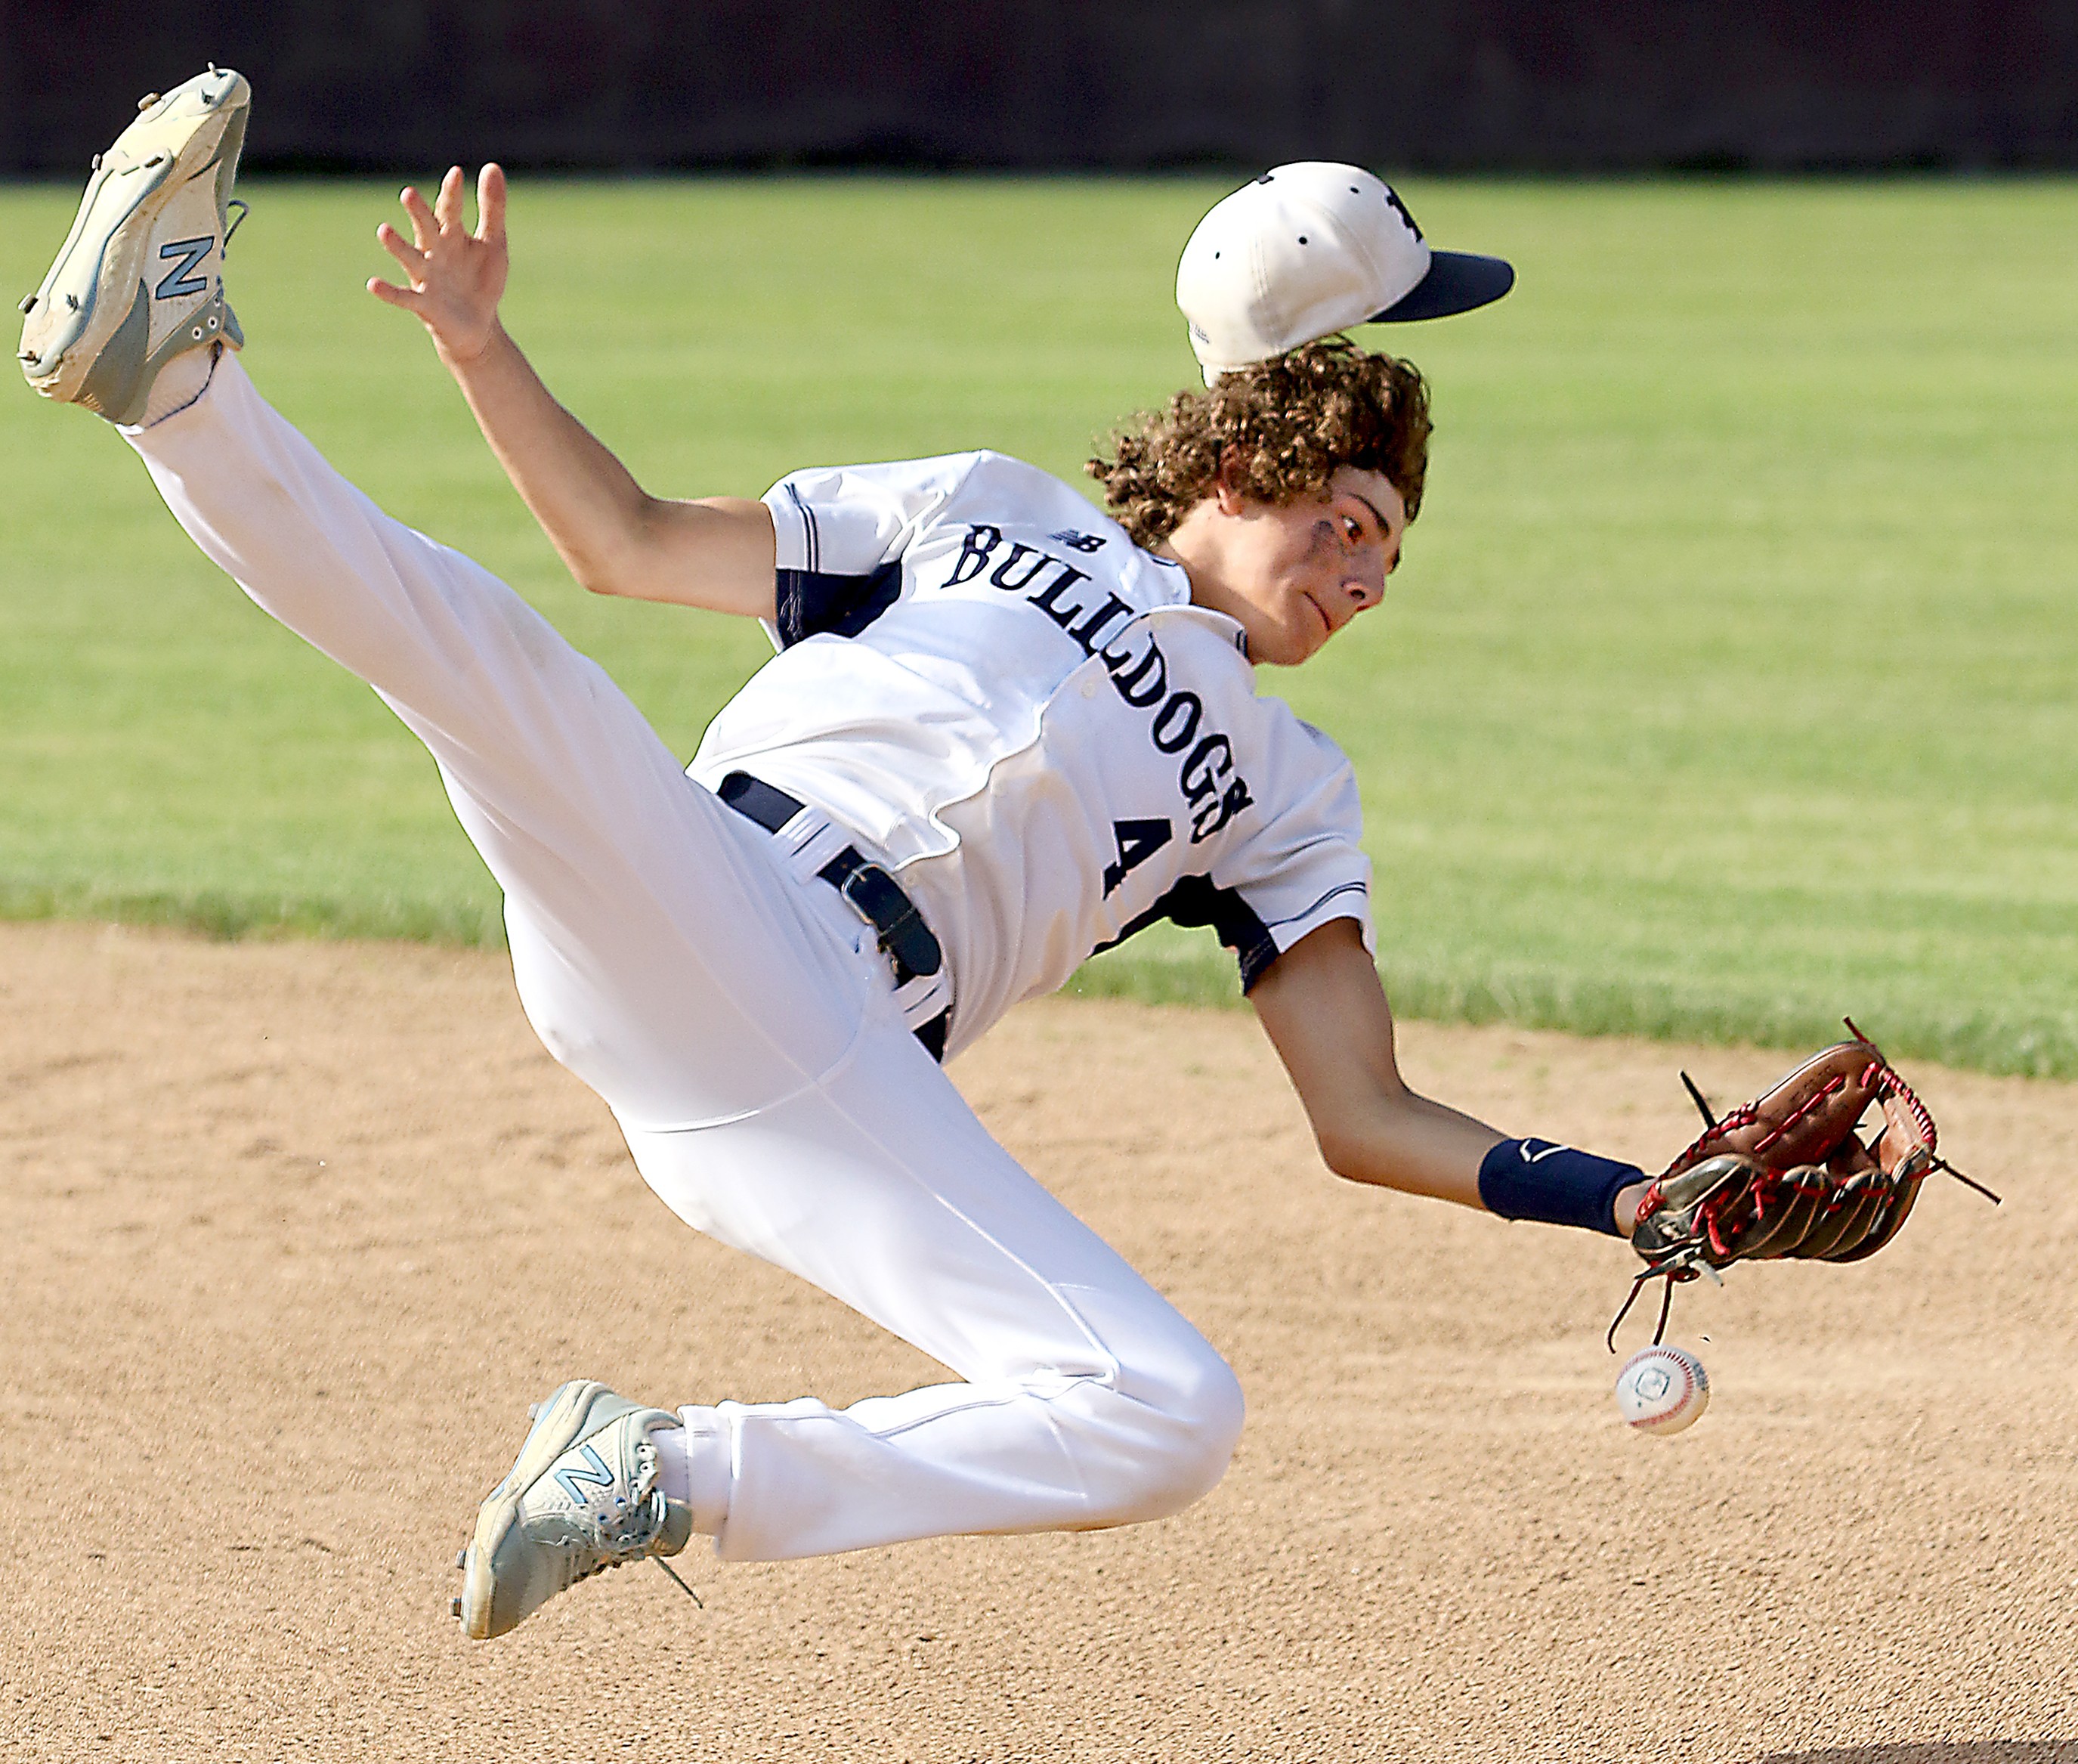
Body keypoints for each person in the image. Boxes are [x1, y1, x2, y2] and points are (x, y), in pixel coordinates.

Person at [21, 72, 1655, 1642]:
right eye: (1352, 519)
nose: (1365, 576)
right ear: (1246, 469)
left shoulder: (1290, 788)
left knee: (1172, 1414)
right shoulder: (985, 509)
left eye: (1389, 558)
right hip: (707, 889)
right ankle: (174, 386)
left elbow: (1361, 1115)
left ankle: (662, 1475)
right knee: (502, 673)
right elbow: (629, 544)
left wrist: (1621, 1197)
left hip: (831, 1072)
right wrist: (479, 345)